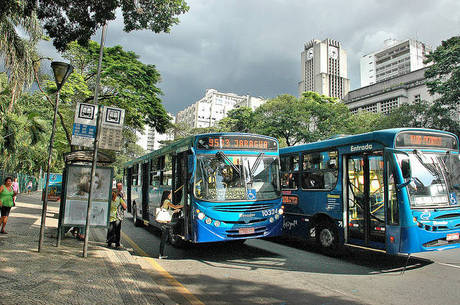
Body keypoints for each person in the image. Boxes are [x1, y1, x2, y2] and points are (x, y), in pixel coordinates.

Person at [158, 190, 183, 259]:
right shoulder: (167, 201)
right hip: (165, 223)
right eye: (170, 194)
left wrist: (175, 211)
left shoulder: (164, 201)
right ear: (168, 195)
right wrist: (183, 205)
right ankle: (160, 254)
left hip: (164, 222)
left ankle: (161, 254)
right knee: (163, 239)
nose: (171, 195)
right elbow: (174, 206)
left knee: (164, 238)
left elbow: (168, 211)